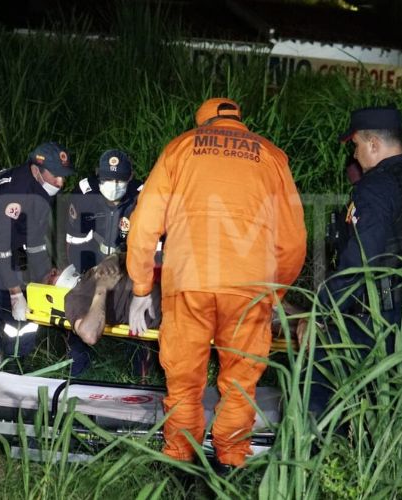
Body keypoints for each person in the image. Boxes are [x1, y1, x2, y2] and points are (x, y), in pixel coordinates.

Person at [125, 97, 306, 471]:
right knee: (241, 383)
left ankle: (179, 460)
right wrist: (276, 292)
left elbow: (144, 225)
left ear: (202, 123)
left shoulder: (180, 148)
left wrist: (141, 288)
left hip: (188, 281)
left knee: (184, 380)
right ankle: (230, 464)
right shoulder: (272, 156)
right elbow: (293, 241)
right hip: (250, 286)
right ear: (239, 120)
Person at [309, 107, 402, 414]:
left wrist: (323, 312)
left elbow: (360, 260)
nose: (355, 155)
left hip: (379, 321)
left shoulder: (374, 187)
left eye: (356, 146)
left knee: (316, 377)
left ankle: (309, 455)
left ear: (373, 144)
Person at [0, 142, 72, 370]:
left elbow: (34, 241)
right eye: (55, 175)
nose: (61, 182)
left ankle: (15, 366)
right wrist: (16, 293)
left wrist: (44, 274)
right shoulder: (14, 192)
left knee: (20, 317)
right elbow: (1, 246)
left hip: (5, 252)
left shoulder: (42, 189)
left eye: (64, 176)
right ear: (36, 168)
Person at [65, 149, 149, 376]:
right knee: (75, 300)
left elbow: (151, 247)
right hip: (92, 266)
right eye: (107, 179)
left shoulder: (143, 197)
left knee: (143, 304)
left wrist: (121, 263)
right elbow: (75, 245)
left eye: (120, 180)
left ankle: (140, 367)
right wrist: (91, 273)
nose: (114, 185)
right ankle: (77, 364)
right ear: (97, 175)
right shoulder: (84, 195)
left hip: (131, 264)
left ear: (130, 177)